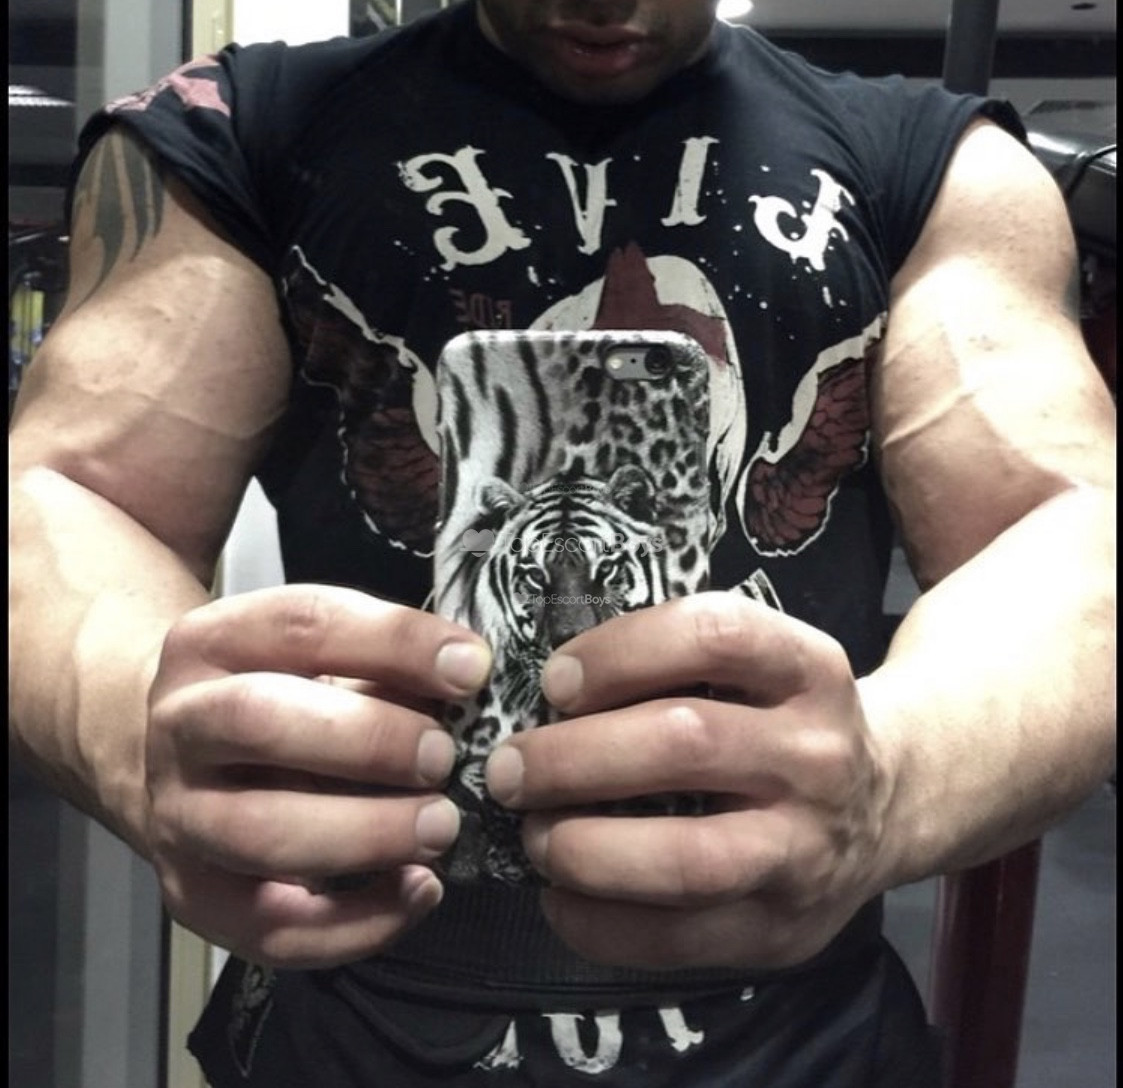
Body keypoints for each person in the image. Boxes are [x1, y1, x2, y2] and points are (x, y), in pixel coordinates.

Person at [8, 1, 1115, 1085]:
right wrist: (133, 724)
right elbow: (65, 495)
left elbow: (1068, 528)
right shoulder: (231, 131)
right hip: (355, 1016)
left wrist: (893, 776)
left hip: (797, 1039)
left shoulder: (935, 165)